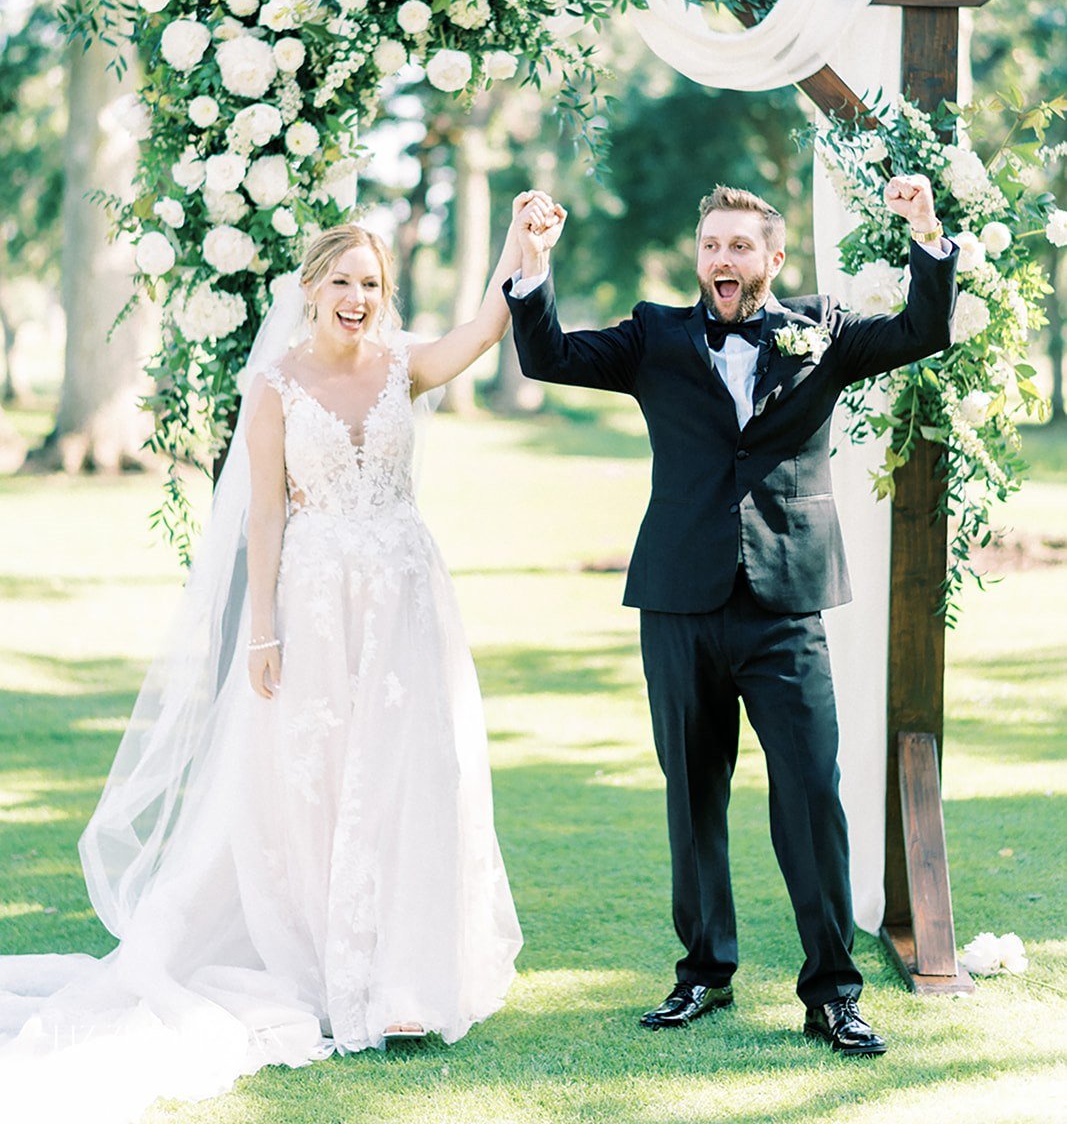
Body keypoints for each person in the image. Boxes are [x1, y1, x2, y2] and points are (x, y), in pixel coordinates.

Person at [0, 195, 553, 1122]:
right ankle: (320, 963)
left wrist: (520, 241)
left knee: (409, 773)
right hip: (314, 598)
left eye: (371, 283)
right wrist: (263, 629)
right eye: (342, 280)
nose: (357, 296)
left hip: (407, 603)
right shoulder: (276, 386)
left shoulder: (401, 365)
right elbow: (264, 514)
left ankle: (402, 976)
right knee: (316, 778)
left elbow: (484, 329)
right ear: (311, 288)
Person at [506, 176, 957, 1057]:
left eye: (740, 246)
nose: (722, 258)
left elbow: (921, 330)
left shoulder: (819, 329)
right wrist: (533, 260)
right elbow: (547, 356)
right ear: (697, 256)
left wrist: (926, 233)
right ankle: (704, 972)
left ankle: (831, 991)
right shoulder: (654, 335)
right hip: (677, 601)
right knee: (692, 793)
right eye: (711, 245)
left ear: (772, 260)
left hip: (787, 606)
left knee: (809, 800)